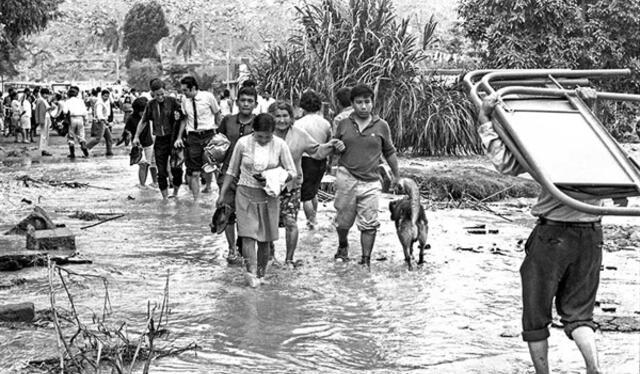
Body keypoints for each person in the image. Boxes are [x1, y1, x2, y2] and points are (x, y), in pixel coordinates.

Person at [478, 90, 604, 374]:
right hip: (592, 235)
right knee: (580, 314)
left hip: (554, 235)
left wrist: (485, 119)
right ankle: (594, 368)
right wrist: (590, 105)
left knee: (535, 314)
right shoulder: (597, 146)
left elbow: (504, 163)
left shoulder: (548, 147)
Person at [217, 113, 296, 287]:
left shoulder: (280, 145)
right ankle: (251, 274)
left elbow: (292, 172)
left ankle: (261, 274)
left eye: (267, 137)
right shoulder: (243, 143)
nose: (263, 140)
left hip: (269, 196)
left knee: (265, 238)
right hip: (245, 192)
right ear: (253, 131)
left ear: (273, 133)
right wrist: (222, 194)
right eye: (260, 136)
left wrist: (271, 177)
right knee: (248, 236)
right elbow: (231, 170)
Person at [332, 84, 399, 268]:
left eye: (367, 102)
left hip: (371, 181)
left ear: (372, 103)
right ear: (352, 104)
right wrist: (336, 147)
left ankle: (365, 260)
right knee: (343, 220)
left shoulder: (381, 126)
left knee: (370, 223)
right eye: (359, 102)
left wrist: (397, 176)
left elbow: (390, 152)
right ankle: (343, 244)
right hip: (346, 177)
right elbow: (333, 148)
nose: (363, 106)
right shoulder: (343, 124)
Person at [269, 100, 338, 268]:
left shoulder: (299, 134)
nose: (282, 120)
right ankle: (270, 257)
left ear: (292, 117)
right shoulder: (266, 134)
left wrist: (332, 145)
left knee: (291, 222)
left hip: (292, 185)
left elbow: (316, 151)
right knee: (268, 225)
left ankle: (289, 259)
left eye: (285, 116)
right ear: (271, 117)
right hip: (268, 187)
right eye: (277, 116)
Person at [216, 86, 258, 263]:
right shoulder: (227, 121)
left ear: (255, 104)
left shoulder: (259, 122)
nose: (246, 104)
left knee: (247, 215)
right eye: (243, 100)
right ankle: (232, 249)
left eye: (250, 101)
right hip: (227, 174)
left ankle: (246, 249)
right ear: (237, 102)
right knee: (226, 212)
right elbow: (217, 144)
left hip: (250, 177)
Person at [134, 78, 184, 199]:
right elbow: (143, 121)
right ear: (152, 94)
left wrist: (179, 137)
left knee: (176, 168)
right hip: (160, 141)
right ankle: (165, 199)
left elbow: (183, 118)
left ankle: (176, 194)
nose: (160, 97)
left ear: (165, 91)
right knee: (161, 172)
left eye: (162, 94)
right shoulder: (150, 105)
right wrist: (136, 136)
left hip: (173, 139)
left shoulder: (173, 102)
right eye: (157, 95)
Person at [175, 76, 220, 201]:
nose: (183, 93)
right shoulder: (185, 100)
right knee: (194, 171)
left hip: (209, 135)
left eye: (185, 90)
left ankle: (219, 196)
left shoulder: (208, 97)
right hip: (193, 137)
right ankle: (196, 201)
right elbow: (184, 119)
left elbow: (217, 114)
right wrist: (179, 137)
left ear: (193, 88)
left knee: (214, 167)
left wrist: (220, 134)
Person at [294, 90, 333, 229]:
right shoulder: (325, 123)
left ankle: (311, 222)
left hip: (305, 161)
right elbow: (329, 144)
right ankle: (314, 217)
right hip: (321, 160)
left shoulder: (298, 124)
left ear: (302, 106)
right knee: (314, 191)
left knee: (306, 195)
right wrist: (329, 162)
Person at [64, 86, 90, 159]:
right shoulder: (80, 101)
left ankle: (72, 154)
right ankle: (85, 151)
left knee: (71, 136)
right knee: (81, 136)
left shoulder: (67, 101)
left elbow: (65, 111)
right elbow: (85, 112)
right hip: (80, 118)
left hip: (72, 118)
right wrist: (86, 120)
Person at [87, 89, 114, 156]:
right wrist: (106, 121)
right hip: (100, 122)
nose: (106, 98)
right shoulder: (99, 103)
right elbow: (99, 115)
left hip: (103, 122)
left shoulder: (104, 102)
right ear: (101, 96)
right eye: (105, 96)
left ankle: (109, 152)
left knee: (109, 138)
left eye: (107, 96)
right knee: (98, 139)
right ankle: (86, 148)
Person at [34, 88, 54, 156]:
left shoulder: (43, 100)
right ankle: (43, 149)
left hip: (46, 117)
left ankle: (44, 149)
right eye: (45, 94)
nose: (47, 95)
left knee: (46, 134)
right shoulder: (41, 100)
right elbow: (41, 110)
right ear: (42, 94)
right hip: (44, 118)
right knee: (44, 134)